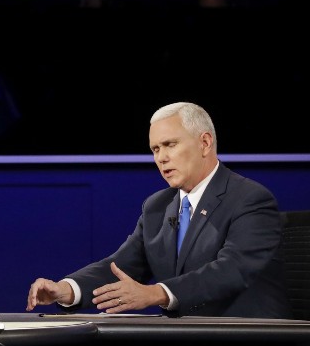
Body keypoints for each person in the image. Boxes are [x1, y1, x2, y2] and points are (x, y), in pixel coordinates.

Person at [26, 101, 291, 317]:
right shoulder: (158, 206)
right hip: (179, 345)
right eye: (155, 149)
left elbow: (231, 271)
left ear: (205, 143)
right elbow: (120, 267)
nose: (161, 158)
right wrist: (66, 289)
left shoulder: (250, 199)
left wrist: (157, 293)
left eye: (170, 145)